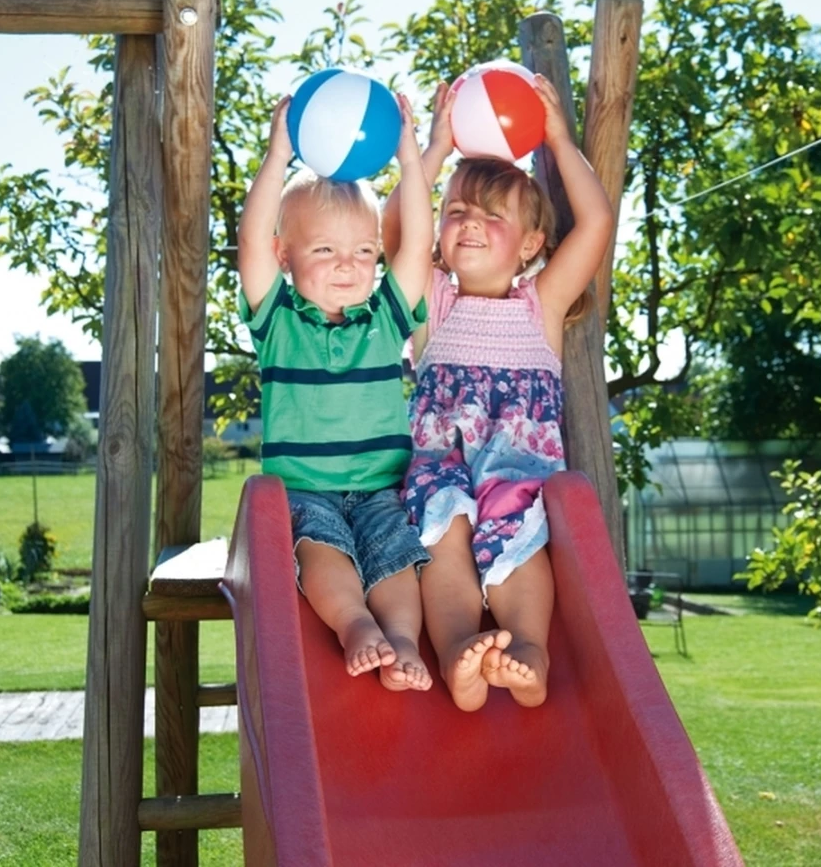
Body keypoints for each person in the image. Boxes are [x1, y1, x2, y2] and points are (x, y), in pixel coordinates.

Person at [382, 75, 614, 711]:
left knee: (519, 537)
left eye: (493, 216)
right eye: (456, 211)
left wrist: (559, 138)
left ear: (532, 244)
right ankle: (458, 647)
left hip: (519, 473)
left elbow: (596, 221)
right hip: (442, 469)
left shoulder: (543, 303)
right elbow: (395, 232)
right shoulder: (432, 302)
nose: (470, 224)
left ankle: (530, 652)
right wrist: (435, 147)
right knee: (441, 533)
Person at [237, 92, 435, 692]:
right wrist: (277, 155)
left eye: (363, 252)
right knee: (323, 552)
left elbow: (418, 245)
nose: (347, 265)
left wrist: (410, 158)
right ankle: (355, 626)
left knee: (395, 557)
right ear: (285, 256)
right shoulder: (278, 323)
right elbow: (251, 242)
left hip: (380, 487)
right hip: (304, 489)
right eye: (324, 250)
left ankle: (402, 640)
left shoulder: (386, 319)